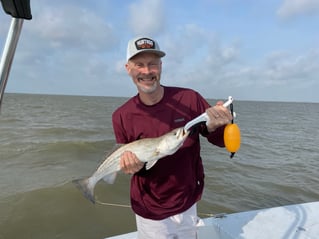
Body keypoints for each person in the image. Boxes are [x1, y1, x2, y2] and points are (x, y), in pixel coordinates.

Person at [112, 37, 232, 239]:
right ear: (128, 68)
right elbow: (135, 167)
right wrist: (131, 167)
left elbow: (221, 142)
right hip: (150, 209)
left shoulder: (190, 98)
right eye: (139, 65)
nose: (146, 71)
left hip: (188, 201)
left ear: (161, 66)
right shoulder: (122, 116)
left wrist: (217, 126)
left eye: (152, 64)